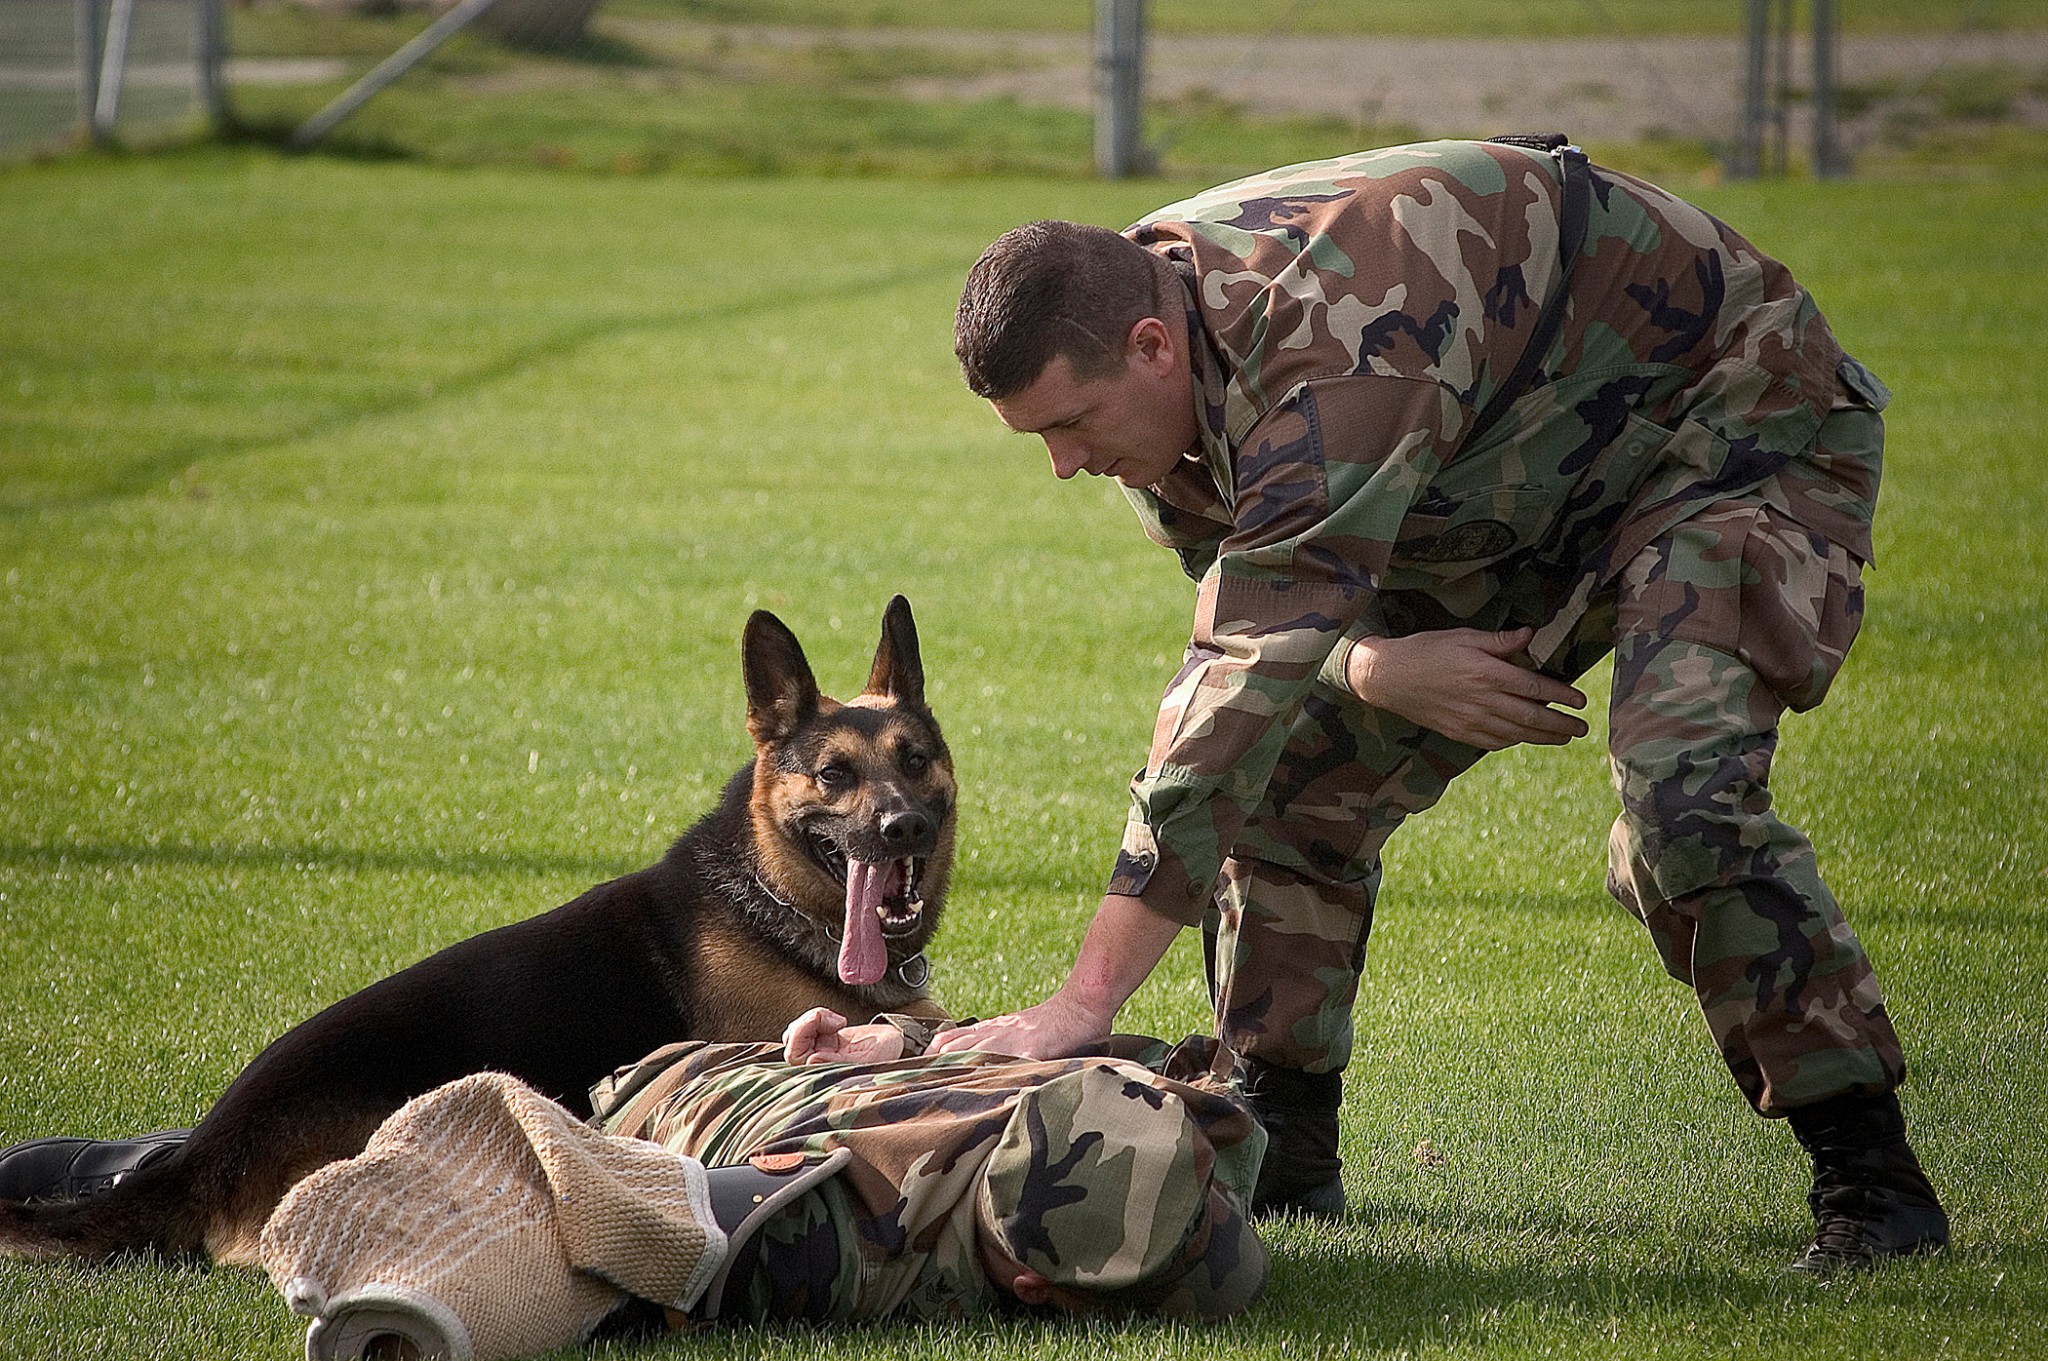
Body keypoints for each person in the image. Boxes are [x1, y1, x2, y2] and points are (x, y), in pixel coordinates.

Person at [937, 135, 1946, 1271]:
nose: (1064, 466)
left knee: (1684, 803)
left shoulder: (1330, 337)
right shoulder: (1153, 379)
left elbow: (1231, 684)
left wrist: (1082, 1000)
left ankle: (1873, 1187)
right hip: (1500, 485)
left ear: (1151, 345)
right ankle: (1281, 1145)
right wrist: (1374, 665)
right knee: (1290, 790)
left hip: (1730, 438)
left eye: (1069, 426)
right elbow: (1265, 611)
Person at [258, 1018, 1269, 1360]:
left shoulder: (827, 1251)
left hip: (657, 1104)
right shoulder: (1142, 1131)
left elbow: (613, 1242)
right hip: (695, 1073)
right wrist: (904, 1041)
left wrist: (429, 1315)